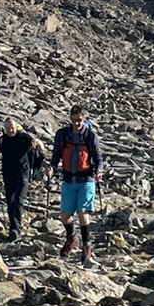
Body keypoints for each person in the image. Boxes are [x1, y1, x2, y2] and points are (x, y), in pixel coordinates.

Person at [50, 104, 103, 264]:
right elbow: (56, 154)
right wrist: (51, 167)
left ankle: (86, 246)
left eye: (79, 120)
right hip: (68, 179)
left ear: (84, 118)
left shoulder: (90, 135)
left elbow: (98, 157)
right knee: (64, 216)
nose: (76, 123)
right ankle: (72, 237)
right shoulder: (62, 134)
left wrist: (99, 171)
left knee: (82, 212)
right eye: (73, 120)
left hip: (86, 179)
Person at [0, 117, 46, 241]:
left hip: (23, 173)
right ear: (4, 128)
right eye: (8, 128)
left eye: (12, 128)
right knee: (10, 201)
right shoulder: (2, 140)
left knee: (19, 200)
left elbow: (38, 143)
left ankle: (16, 229)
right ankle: (13, 228)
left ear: (16, 126)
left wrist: (40, 147)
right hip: (8, 173)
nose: (10, 130)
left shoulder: (23, 137)